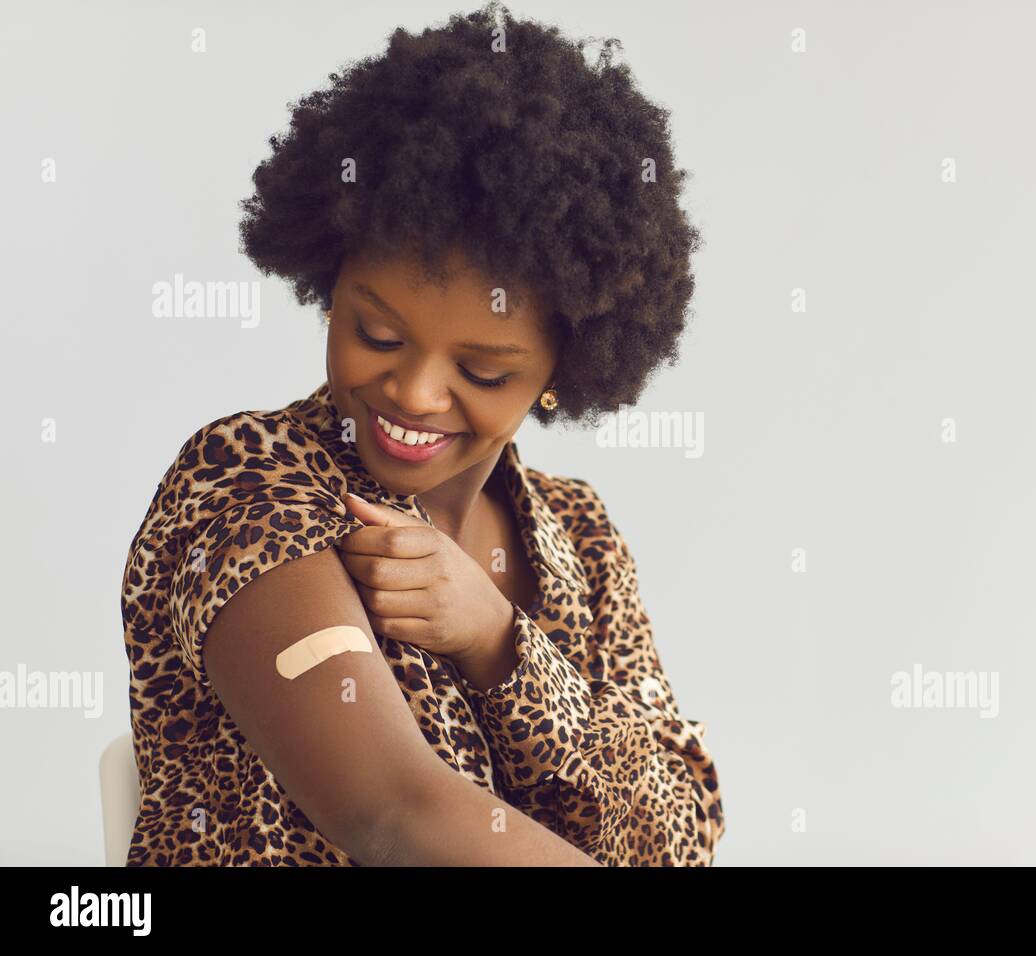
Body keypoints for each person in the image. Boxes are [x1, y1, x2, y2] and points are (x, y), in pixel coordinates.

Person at [119, 1, 722, 866]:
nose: (413, 391)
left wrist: (501, 645)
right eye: (378, 335)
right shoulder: (249, 486)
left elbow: (678, 835)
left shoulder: (582, 542)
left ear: (564, 371)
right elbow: (394, 817)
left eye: (482, 372)